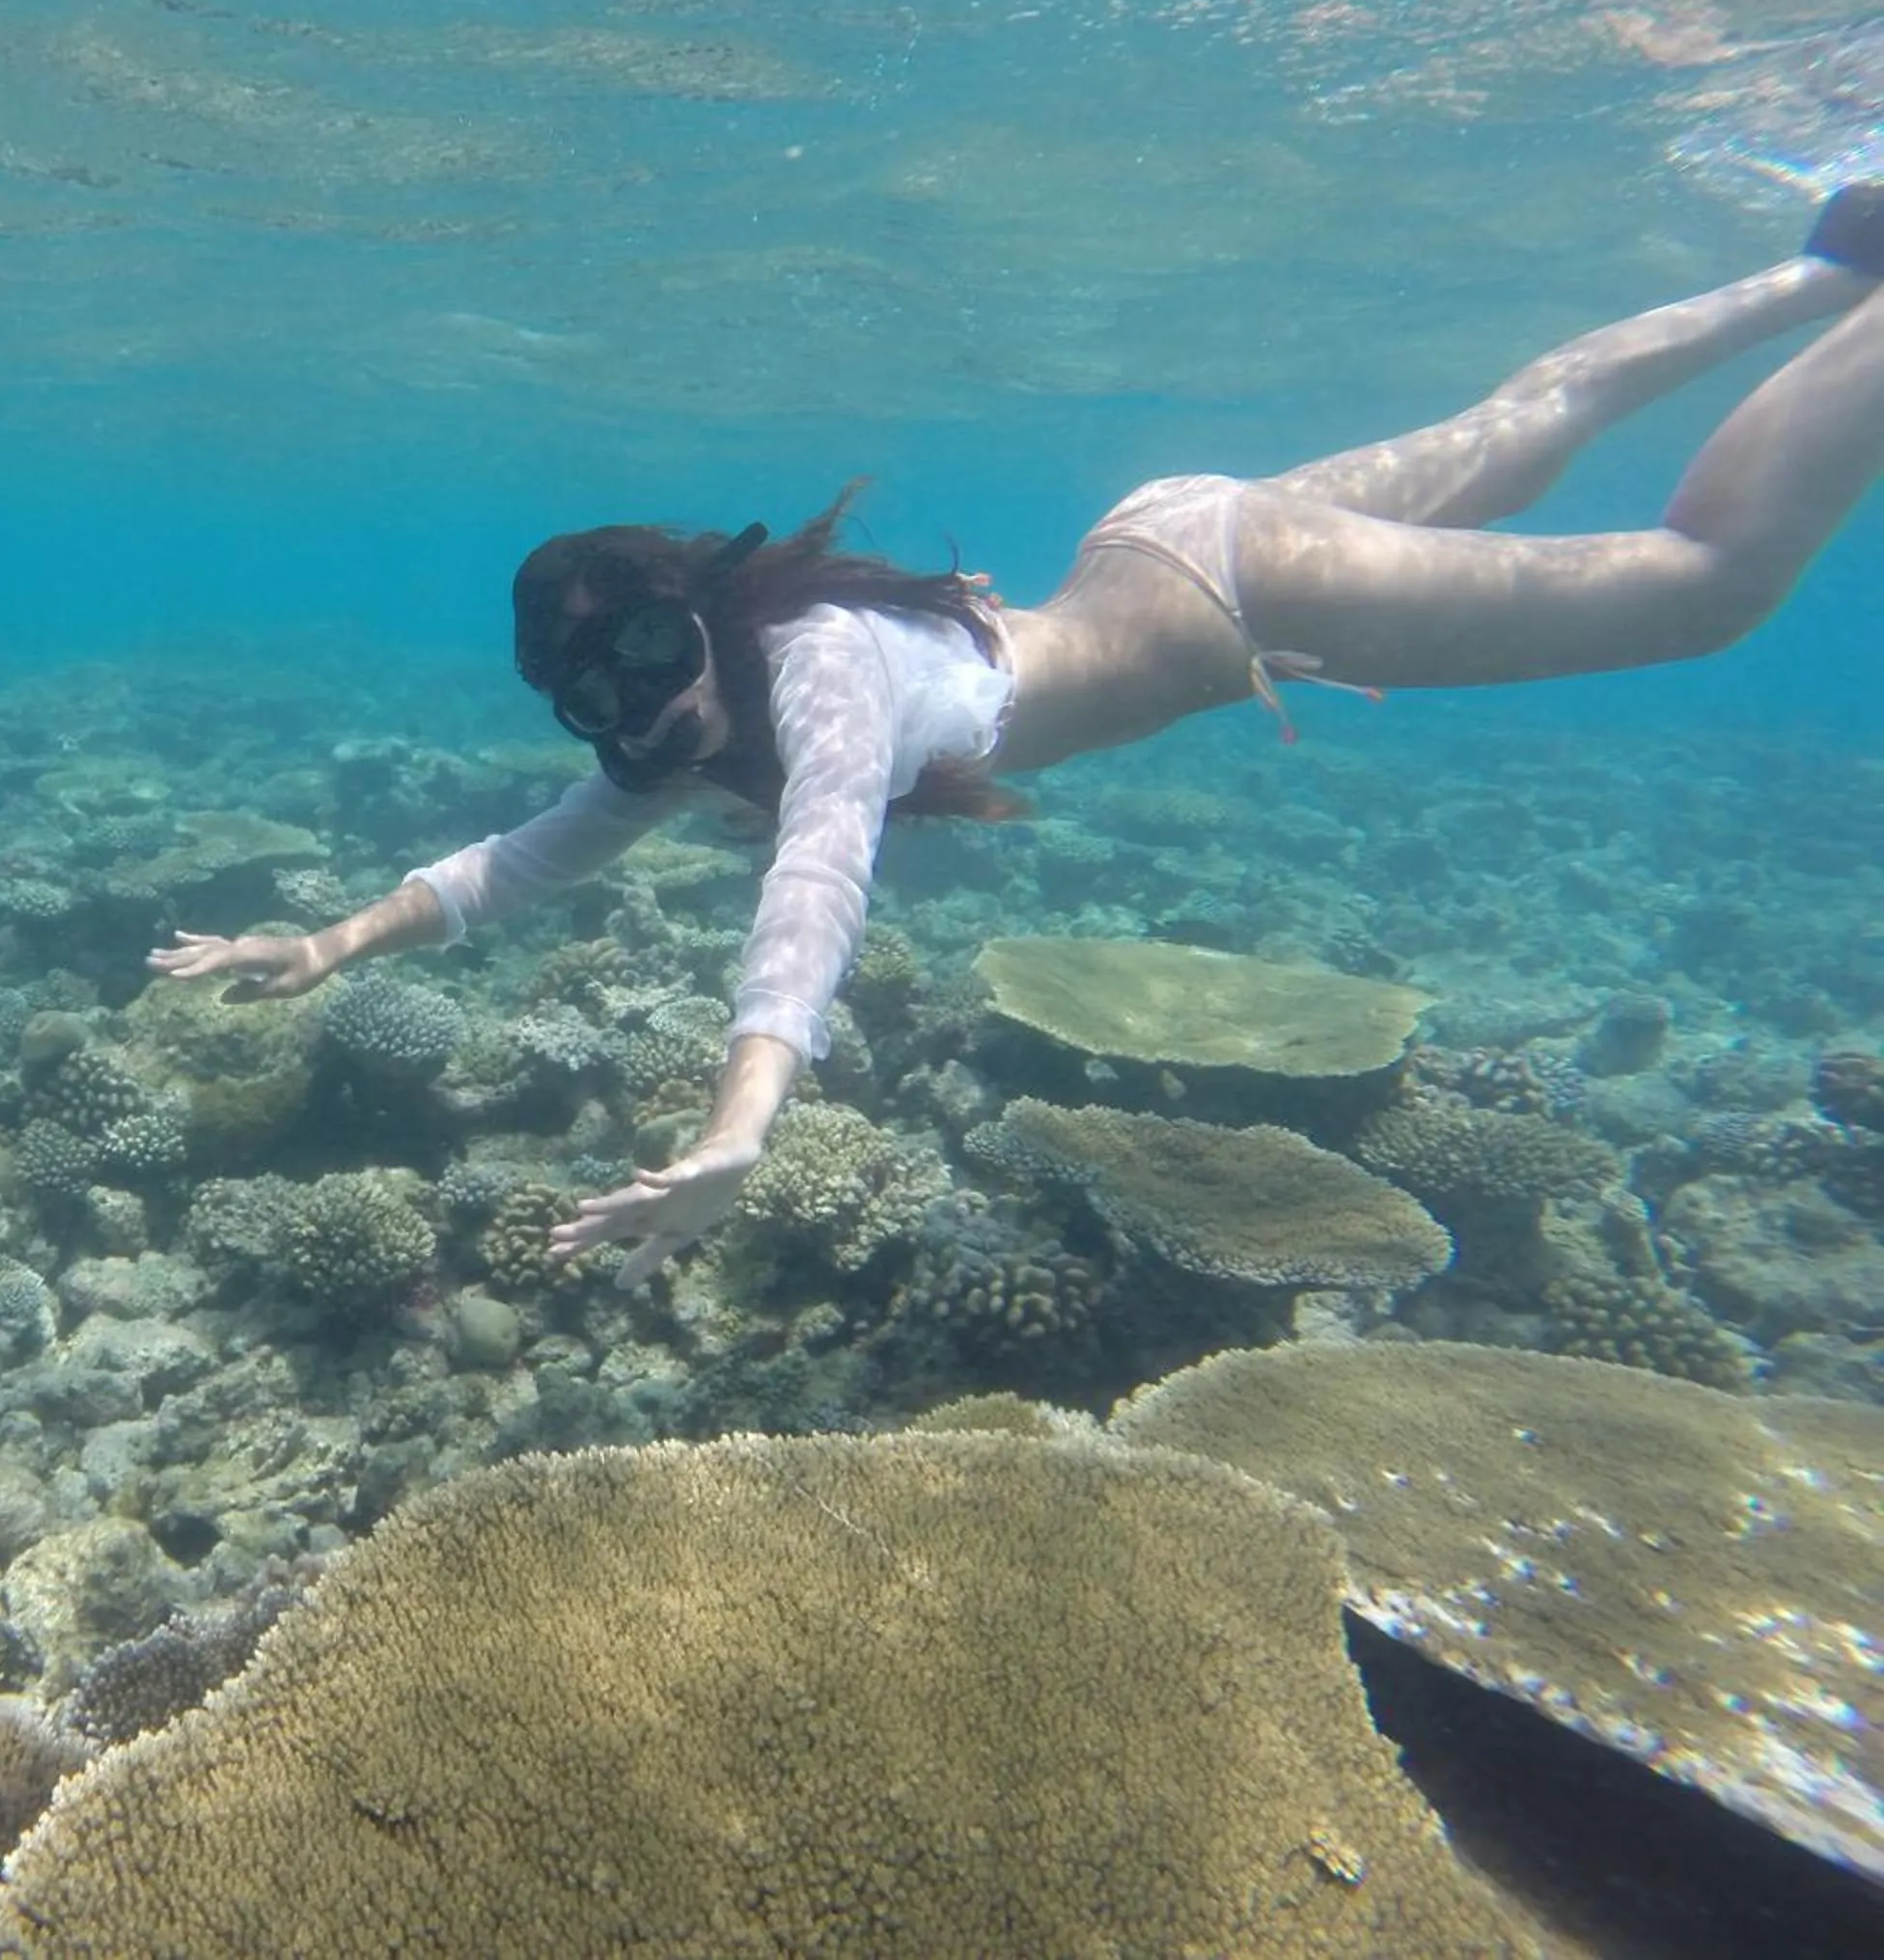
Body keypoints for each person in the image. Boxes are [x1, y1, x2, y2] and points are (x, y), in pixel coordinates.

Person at [153, 184, 1884, 1285]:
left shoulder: (817, 660)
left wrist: (746, 1117)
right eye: (597, 702)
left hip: (1247, 590)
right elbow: (512, 862)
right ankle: (1819, 260)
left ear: (703, 607)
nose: (645, 714)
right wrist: (331, 938)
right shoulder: (677, 737)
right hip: (1181, 540)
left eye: (654, 657)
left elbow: (817, 871)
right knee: (1525, 423)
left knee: (1705, 581)